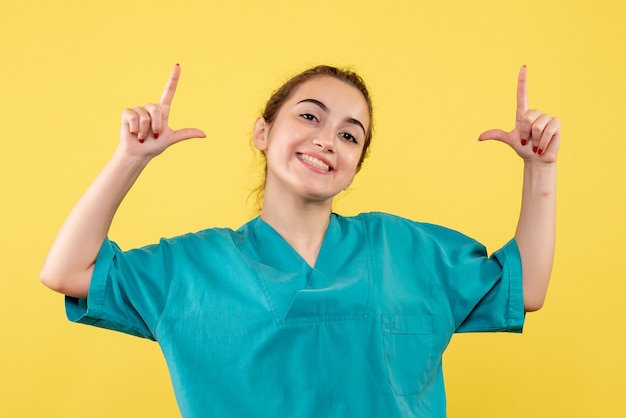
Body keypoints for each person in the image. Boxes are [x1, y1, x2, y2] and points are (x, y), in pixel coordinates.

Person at [41, 63, 560, 417]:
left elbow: (525, 287)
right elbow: (66, 272)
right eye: (310, 115)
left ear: (356, 167)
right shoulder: (193, 267)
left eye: (350, 134)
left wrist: (542, 168)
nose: (326, 139)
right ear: (263, 132)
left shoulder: (404, 250)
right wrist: (130, 158)